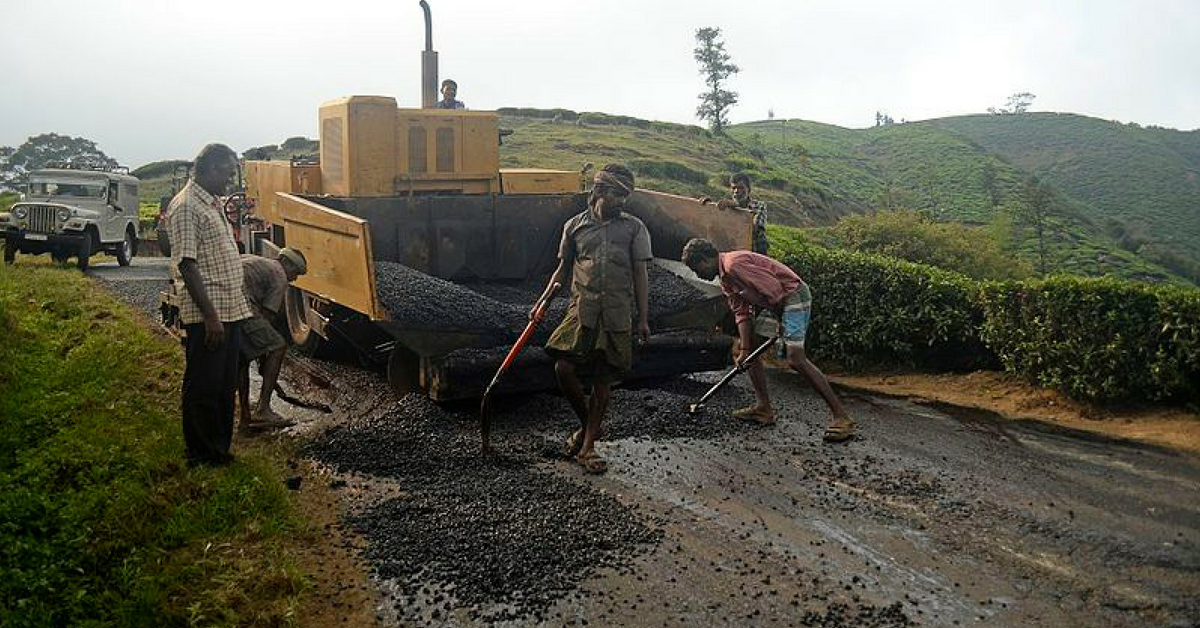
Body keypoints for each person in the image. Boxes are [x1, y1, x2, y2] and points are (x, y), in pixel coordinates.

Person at [535, 164, 651, 474]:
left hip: (616, 311)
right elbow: (561, 270)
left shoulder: (634, 228)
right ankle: (589, 426)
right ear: (599, 192)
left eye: (626, 197)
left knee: (603, 378)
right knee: (563, 367)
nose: (622, 203)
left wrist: (643, 318)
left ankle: (587, 447)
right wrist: (543, 301)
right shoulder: (574, 226)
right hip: (582, 308)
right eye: (617, 196)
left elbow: (641, 275)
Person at [681, 238, 855, 442]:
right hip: (775, 302)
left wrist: (782, 321)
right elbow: (742, 313)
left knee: (795, 358)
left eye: (696, 269)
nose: (697, 274)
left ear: (704, 260)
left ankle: (842, 417)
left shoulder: (734, 265)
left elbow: (775, 291)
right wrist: (746, 349)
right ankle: (763, 409)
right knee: (750, 354)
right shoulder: (726, 279)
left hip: (792, 295)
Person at [167, 143, 253, 466]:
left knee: (223, 385)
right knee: (204, 384)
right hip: (211, 314)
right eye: (227, 174)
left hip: (228, 309)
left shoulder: (210, 202)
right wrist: (211, 317)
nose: (229, 181)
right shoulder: (187, 206)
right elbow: (187, 265)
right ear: (209, 169)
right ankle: (201, 454)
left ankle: (218, 450)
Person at [237, 248, 307, 433]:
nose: (294, 279)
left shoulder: (256, 261)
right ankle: (263, 409)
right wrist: (265, 355)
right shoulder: (279, 275)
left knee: (242, 360)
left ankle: (245, 418)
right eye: (295, 273)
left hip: (223, 304)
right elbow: (267, 317)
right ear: (285, 262)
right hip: (242, 305)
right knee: (278, 346)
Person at [700, 173, 769, 255]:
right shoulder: (726, 207)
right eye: (734, 188)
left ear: (749, 190)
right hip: (731, 253)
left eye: (741, 188)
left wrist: (736, 205)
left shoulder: (759, 206)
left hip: (754, 254)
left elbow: (755, 227)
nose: (736, 191)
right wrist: (708, 206)